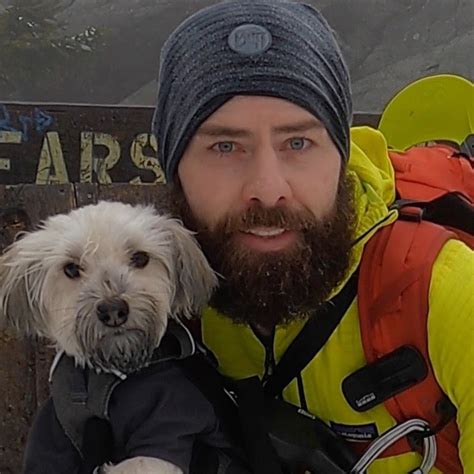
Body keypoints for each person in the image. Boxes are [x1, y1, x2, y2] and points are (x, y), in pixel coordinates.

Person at [152, 1, 474, 473]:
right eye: (224, 146)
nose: (268, 189)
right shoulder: (148, 305)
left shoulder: (443, 294)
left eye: (298, 143)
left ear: (341, 158)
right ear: (174, 169)